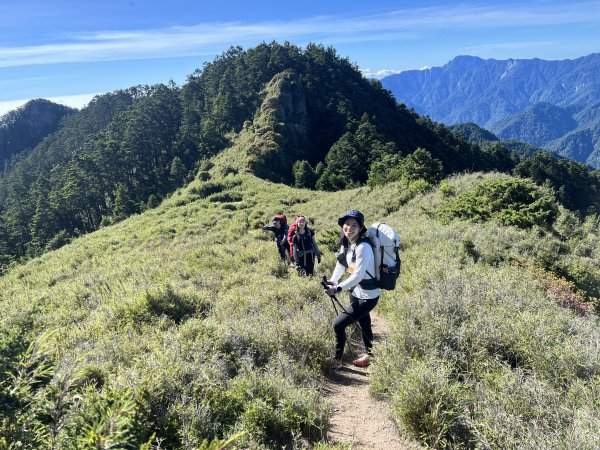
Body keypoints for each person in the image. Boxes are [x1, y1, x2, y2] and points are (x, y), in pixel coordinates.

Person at [323, 210, 379, 369]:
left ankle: (337, 360)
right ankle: (369, 356)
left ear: (361, 228)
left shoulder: (364, 247)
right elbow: (341, 264)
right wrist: (332, 282)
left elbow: (358, 275)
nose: (349, 228)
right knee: (364, 323)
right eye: (347, 224)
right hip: (356, 292)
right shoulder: (347, 244)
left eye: (354, 225)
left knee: (338, 325)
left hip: (368, 296)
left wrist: (338, 288)